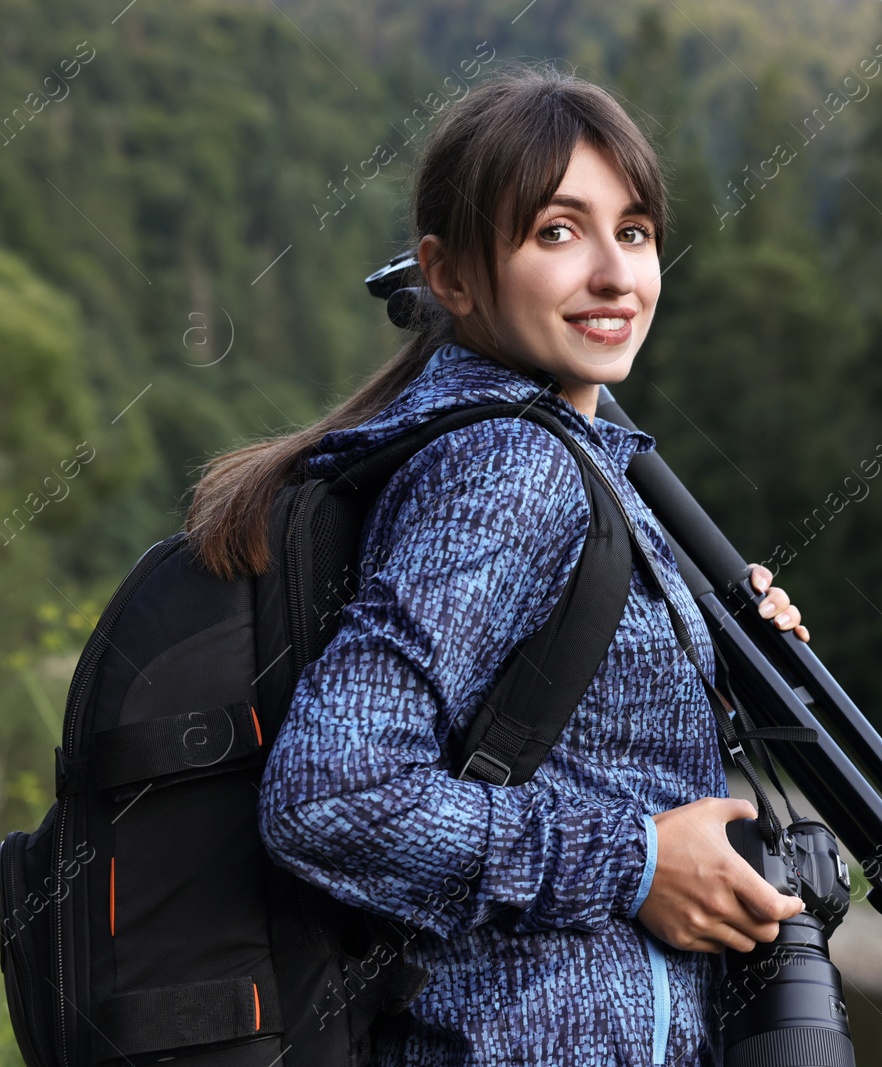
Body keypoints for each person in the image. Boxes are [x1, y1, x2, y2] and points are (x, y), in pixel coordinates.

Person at [184, 66, 807, 1065]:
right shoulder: (510, 465)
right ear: (453, 275)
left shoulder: (563, 456)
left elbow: (552, 735)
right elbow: (331, 796)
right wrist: (635, 861)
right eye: (557, 232)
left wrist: (705, 674)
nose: (613, 275)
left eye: (635, 230)